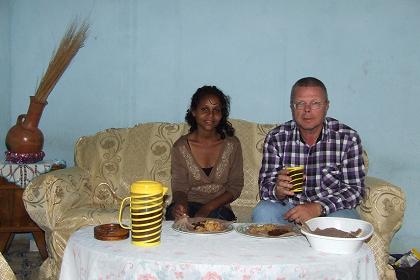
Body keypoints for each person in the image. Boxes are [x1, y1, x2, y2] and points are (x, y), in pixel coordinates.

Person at [252, 77, 365, 224]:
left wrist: (318, 207)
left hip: (331, 211)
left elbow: (355, 190)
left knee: (344, 221)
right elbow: (265, 187)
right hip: (289, 209)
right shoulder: (277, 138)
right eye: (300, 104)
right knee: (263, 212)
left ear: (326, 106)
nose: (307, 110)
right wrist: (277, 191)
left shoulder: (347, 138)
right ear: (292, 107)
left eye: (315, 103)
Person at [165, 85, 244, 221]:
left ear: (222, 114)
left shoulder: (232, 145)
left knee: (215, 220)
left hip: (218, 207)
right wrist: (181, 205)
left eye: (216, 110)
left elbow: (235, 187)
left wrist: (207, 208)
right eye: (204, 109)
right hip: (189, 203)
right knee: (174, 214)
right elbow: (179, 187)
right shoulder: (181, 147)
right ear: (194, 111)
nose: (211, 115)